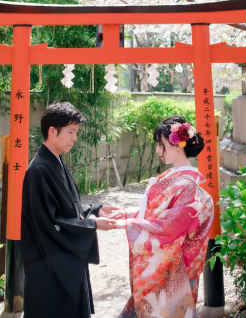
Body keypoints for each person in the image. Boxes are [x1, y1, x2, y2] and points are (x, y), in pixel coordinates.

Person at [21, 101, 123, 318]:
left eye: (75, 132)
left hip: (62, 262)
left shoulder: (55, 162)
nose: (74, 138)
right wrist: (92, 224)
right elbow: (49, 222)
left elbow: (69, 208)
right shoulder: (38, 170)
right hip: (48, 267)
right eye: (71, 132)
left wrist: (97, 210)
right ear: (52, 131)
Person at [115, 115, 214, 318]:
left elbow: (169, 226)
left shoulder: (187, 185)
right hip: (167, 264)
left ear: (177, 145)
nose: (158, 150)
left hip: (175, 269)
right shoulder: (172, 177)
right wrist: (127, 214)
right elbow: (158, 214)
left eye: (161, 145)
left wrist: (126, 223)